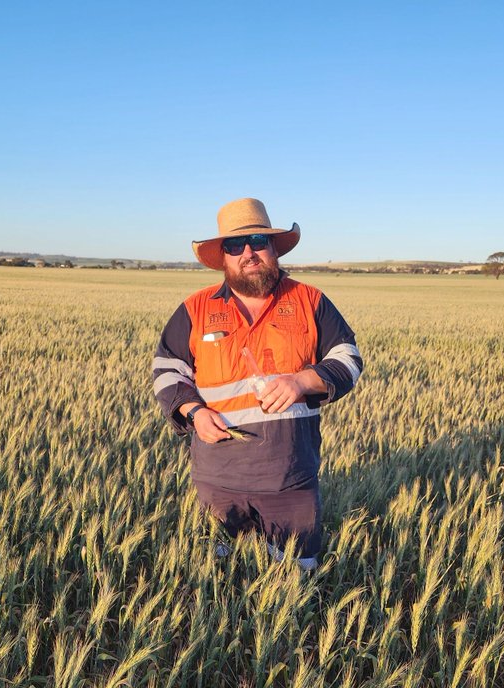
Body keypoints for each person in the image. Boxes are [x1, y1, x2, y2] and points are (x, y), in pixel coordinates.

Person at [152, 198, 363, 568]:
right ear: (223, 257)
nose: (248, 252)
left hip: (290, 478)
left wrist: (302, 381)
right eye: (235, 245)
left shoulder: (310, 301)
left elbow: (349, 360)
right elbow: (167, 369)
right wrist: (194, 411)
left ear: (273, 249)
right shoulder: (196, 309)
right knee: (216, 580)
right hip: (217, 480)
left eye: (257, 241)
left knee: (296, 575)